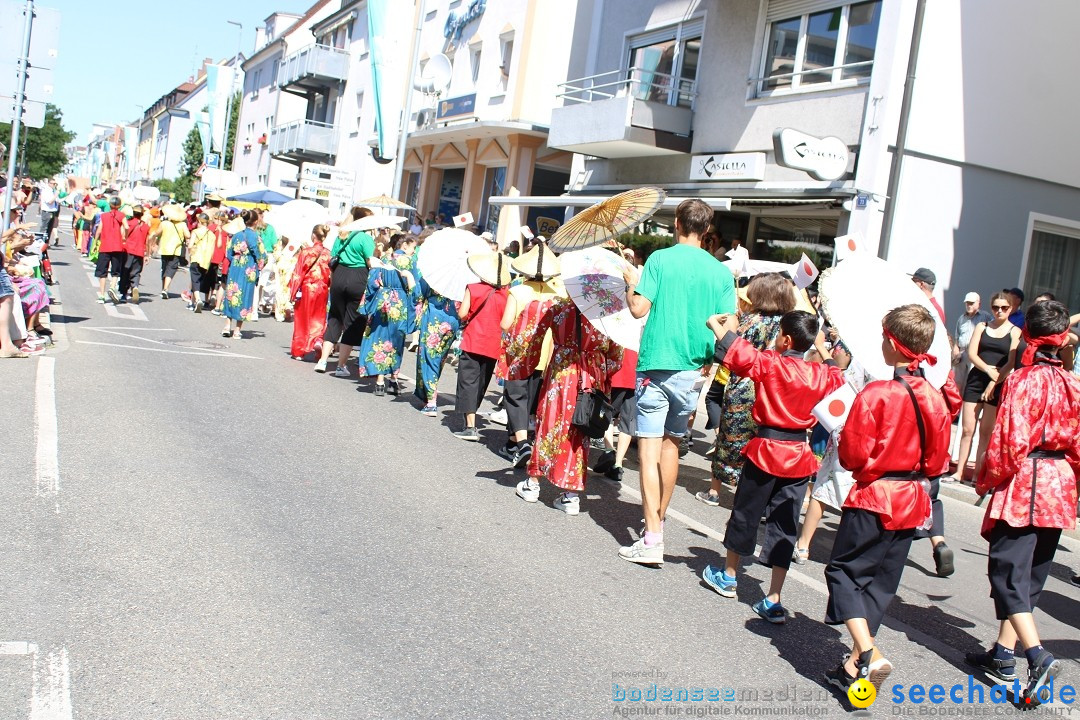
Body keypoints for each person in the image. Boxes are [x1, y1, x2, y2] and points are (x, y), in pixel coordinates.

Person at [823, 305, 952, 695]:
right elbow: (938, 461)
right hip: (913, 497)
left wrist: (848, 436)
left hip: (875, 495)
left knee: (843, 572)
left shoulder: (877, 392)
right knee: (881, 583)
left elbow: (852, 457)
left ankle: (868, 654)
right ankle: (852, 667)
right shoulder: (936, 397)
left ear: (893, 345)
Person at [965, 300, 1079, 704]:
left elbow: (1009, 443)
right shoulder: (1074, 383)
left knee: (1007, 574)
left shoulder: (1023, 381)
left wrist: (986, 479)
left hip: (1027, 480)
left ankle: (1037, 656)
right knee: (1029, 576)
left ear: (1027, 335)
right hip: (1059, 482)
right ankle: (1003, 654)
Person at [700, 311, 844, 623]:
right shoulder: (820, 374)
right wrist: (821, 348)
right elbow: (838, 376)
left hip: (766, 449)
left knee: (745, 513)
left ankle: (729, 574)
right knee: (785, 524)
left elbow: (737, 352)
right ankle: (774, 597)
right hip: (798, 454)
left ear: (786, 339)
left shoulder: (771, 363)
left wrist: (716, 324)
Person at [618, 199, 737, 565]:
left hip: (657, 364)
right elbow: (730, 327)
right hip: (695, 370)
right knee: (672, 445)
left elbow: (638, 309)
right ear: (706, 229)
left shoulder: (659, 260)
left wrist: (630, 284)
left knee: (648, 450)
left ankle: (653, 536)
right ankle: (659, 520)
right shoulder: (720, 273)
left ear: (677, 223)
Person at [509, 296, 623, 515]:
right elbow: (616, 356)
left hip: (561, 373)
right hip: (591, 376)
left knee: (548, 425)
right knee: (580, 431)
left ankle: (533, 484)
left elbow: (532, 336)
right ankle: (571, 495)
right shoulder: (607, 314)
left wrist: (523, 365)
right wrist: (601, 372)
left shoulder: (560, 308)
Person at [699, 273, 796, 504]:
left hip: (745, 385)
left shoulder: (752, 322)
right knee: (761, 442)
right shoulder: (787, 324)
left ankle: (714, 491)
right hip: (774, 388)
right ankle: (756, 497)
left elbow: (731, 352)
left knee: (730, 437)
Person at [497, 241, 564, 466]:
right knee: (530, 400)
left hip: (518, 354)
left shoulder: (518, 291)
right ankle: (512, 443)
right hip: (544, 354)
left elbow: (506, 324)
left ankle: (523, 445)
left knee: (515, 397)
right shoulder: (557, 294)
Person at [952, 292, 1021, 483]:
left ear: (1011, 309)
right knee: (967, 429)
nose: (999, 311)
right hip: (977, 379)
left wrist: (995, 379)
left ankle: (977, 474)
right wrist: (987, 371)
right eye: (996, 307)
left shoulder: (1014, 331)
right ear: (991, 308)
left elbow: (1011, 361)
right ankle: (959, 471)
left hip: (998, 383)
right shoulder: (982, 327)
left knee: (986, 431)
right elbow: (972, 354)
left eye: (1004, 308)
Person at [453, 252, 511, 441]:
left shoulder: (473, 288)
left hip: (473, 340)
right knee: (481, 383)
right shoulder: (507, 294)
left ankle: (470, 426)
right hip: (493, 343)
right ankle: (472, 416)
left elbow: (462, 314)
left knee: (468, 380)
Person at [314, 212, 377, 376]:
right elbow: (370, 261)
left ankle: (323, 360)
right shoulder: (365, 238)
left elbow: (332, 259)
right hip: (358, 277)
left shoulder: (341, 236)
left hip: (339, 276)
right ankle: (341, 366)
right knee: (352, 322)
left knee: (335, 318)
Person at [357, 262, 416, 395]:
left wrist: (367, 306)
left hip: (382, 302)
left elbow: (371, 284)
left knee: (379, 339)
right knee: (396, 342)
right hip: (400, 303)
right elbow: (415, 288)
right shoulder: (410, 262)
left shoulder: (383, 261)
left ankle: (379, 382)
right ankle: (393, 380)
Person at [413, 268, 461, 417]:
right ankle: (429, 393)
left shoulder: (434, 273)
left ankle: (431, 401)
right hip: (453, 318)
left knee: (429, 357)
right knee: (440, 357)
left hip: (435, 316)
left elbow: (418, 293)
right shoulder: (461, 276)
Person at [288, 225, 332, 360]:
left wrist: (293, 292)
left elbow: (298, 273)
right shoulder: (328, 254)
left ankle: (300, 350)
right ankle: (317, 340)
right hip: (322, 288)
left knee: (302, 319)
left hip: (307, 287)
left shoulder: (306, 252)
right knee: (319, 317)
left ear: (313, 235)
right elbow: (330, 274)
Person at [220, 211, 266, 339]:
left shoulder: (236, 235)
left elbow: (228, 253)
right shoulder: (256, 237)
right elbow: (262, 256)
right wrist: (259, 265)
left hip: (235, 267)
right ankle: (237, 330)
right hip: (248, 268)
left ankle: (227, 326)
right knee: (244, 295)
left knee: (231, 293)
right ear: (255, 222)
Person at [951, 292, 992, 405]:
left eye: (972, 303)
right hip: (962, 352)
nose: (969, 305)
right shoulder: (961, 318)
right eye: (967, 303)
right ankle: (956, 409)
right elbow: (957, 335)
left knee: (970, 382)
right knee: (957, 382)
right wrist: (955, 348)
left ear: (978, 304)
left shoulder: (986, 317)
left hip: (976, 354)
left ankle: (966, 409)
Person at [92, 196, 128, 303]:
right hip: (117, 246)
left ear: (110, 205)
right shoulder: (122, 215)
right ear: (120, 206)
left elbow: (99, 230)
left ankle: (102, 296)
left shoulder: (104, 216)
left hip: (105, 246)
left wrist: (95, 243)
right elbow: (126, 227)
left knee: (102, 271)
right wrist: (124, 237)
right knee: (115, 271)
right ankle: (112, 287)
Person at [153, 205, 189, 299]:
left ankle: (163, 289)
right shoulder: (182, 225)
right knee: (171, 269)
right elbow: (188, 235)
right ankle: (166, 289)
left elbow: (157, 233)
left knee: (164, 268)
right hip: (176, 250)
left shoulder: (164, 223)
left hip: (165, 249)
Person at [118, 206, 150, 304]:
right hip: (140, 252)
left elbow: (123, 235)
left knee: (125, 271)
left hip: (128, 250)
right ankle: (135, 286)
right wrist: (147, 254)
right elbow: (147, 241)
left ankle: (124, 294)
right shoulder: (146, 226)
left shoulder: (129, 223)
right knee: (136, 272)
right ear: (142, 214)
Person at [186, 213, 216, 312]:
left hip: (196, 258)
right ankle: (192, 303)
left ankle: (198, 300)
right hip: (206, 261)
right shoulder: (212, 235)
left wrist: (190, 252)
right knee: (198, 281)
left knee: (194, 280)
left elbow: (190, 246)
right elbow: (212, 251)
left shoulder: (195, 232)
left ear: (199, 221)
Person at [38, 179, 60, 246]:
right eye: (53, 184)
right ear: (49, 184)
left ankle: (46, 242)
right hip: (47, 212)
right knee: (44, 227)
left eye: (55, 184)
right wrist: (56, 195)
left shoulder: (53, 191)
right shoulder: (46, 191)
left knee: (50, 228)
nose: (54, 185)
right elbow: (49, 201)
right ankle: (40, 242)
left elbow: (56, 201)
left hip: (53, 211)